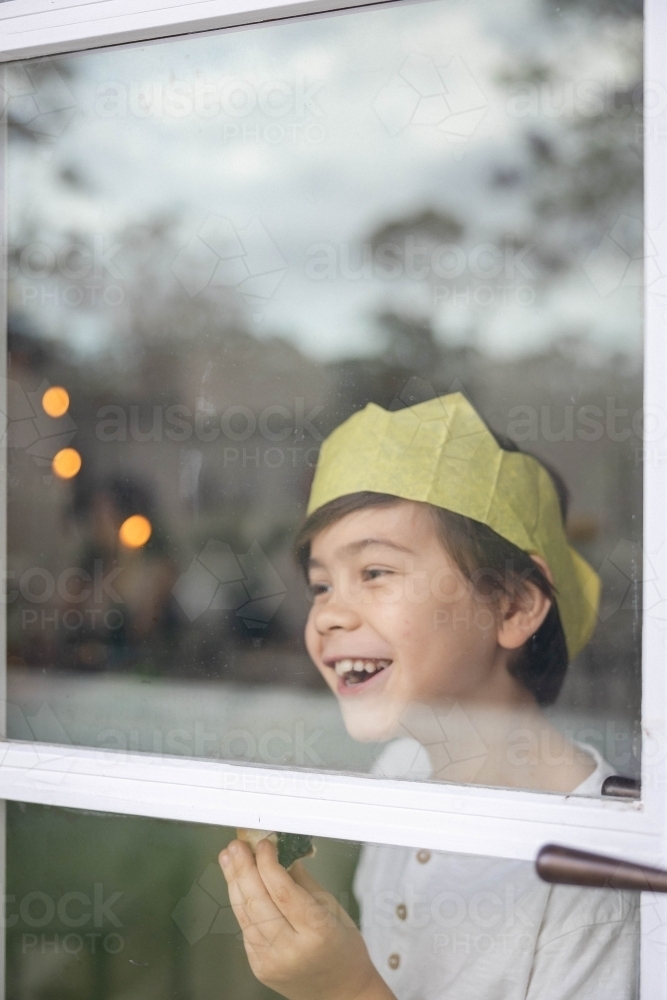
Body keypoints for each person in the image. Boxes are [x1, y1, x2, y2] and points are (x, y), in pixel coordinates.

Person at [218, 393, 639, 1000]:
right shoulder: (400, 774)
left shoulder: (597, 877)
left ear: (513, 606)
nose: (329, 614)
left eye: (375, 572)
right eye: (319, 584)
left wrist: (344, 990)